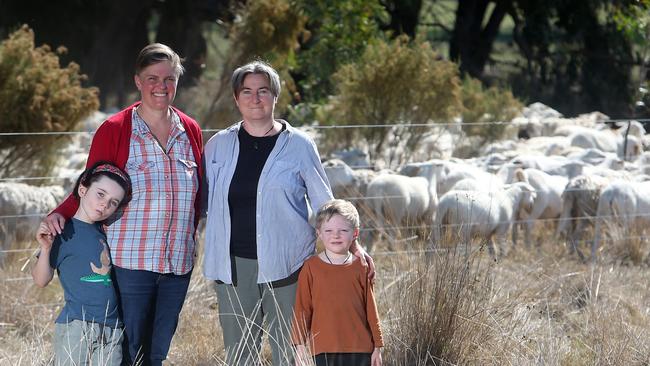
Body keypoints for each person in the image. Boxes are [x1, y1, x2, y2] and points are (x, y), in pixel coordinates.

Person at [202, 60, 375, 366]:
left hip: (289, 267)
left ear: (275, 97)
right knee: (239, 355)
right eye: (247, 91)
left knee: (292, 352)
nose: (255, 98)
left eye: (263, 91)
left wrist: (355, 248)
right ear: (236, 98)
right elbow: (201, 199)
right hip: (232, 268)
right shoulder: (218, 146)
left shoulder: (299, 145)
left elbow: (325, 203)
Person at [42, 43, 203, 366]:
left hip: (177, 265)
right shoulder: (116, 129)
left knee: (156, 353)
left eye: (169, 78)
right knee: (126, 352)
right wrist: (59, 214)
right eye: (152, 78)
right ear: (138, 81)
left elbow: (199, 195)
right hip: (131, 262)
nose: (161, 86)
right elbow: (90, 186)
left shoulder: (191, 130)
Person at [33, 162, 132, 366]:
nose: (105, 204)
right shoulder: (62, 231)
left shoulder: (105, 233)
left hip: (111, 327)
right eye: (101, 194)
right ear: (82, 189)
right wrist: (45, 249)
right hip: (78, 325)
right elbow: (41, 280)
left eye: (114, 202)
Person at [291, 199, 383, 366]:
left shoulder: (361, 267)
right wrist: (299, 346)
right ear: (318, 233)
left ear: (355, 234)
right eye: (328, 230)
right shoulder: (310, 268)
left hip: (360, 349)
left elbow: (371, 308)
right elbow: (302, 310)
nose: (336, 235)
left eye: (343, 230)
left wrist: (378, 345)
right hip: (323, 349)